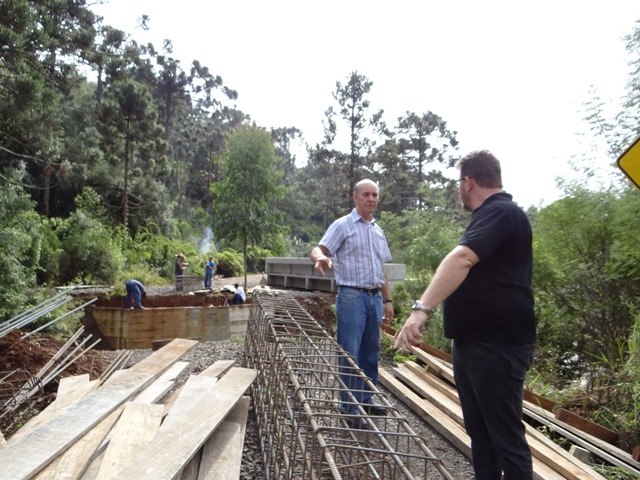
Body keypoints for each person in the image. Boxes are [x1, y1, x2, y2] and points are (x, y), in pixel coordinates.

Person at [394, 150, 537, 480]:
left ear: (469, 182)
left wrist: (420, 310)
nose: (459, 189)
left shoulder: (502, 212)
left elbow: (460, 259)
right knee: (482, 436)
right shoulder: (493, 215)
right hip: (477, 344)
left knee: (506, 440)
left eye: (459, 182)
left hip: (496, 346)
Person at [310, 178, 394, 429]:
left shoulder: (377, 230)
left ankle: (366, 398)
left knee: (371, 352)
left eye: (375, 194)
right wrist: (321, 258)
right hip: (352, 297)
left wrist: (388, 299)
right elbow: (318, 248)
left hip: (374, 297)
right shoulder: (343, 225)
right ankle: (350, 408)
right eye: (366, 194)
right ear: (355, 197)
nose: (371, 199)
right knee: (350, 353)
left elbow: (382, 268)